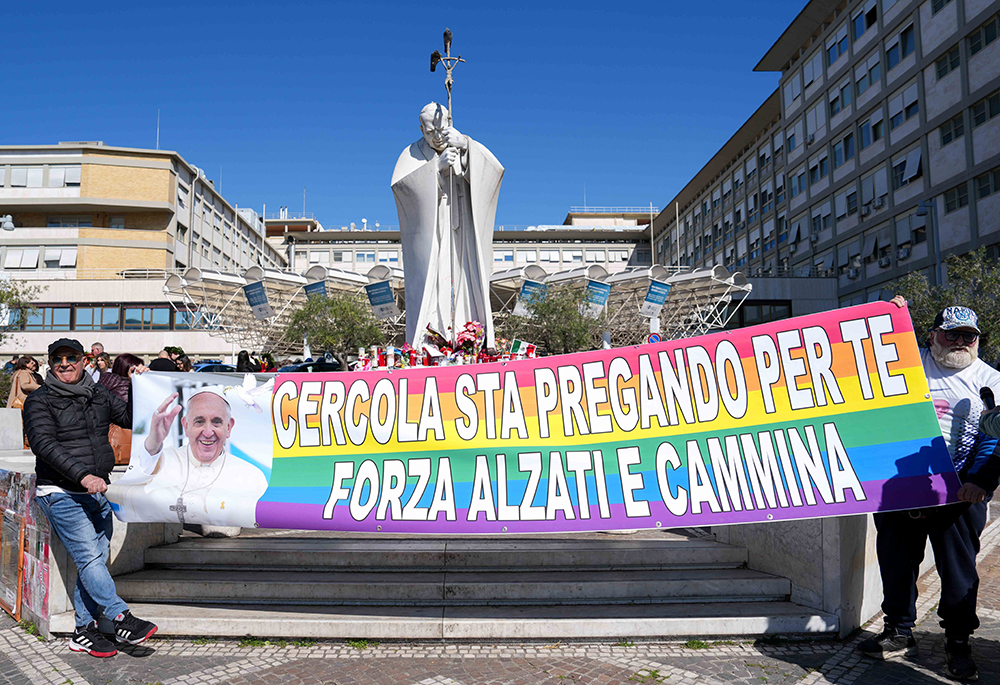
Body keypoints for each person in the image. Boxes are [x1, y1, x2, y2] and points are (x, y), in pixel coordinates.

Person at [859, 301, 1000, 681]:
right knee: (896, 562)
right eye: (951, 333)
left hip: (959, 494)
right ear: (932, 335)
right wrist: (885, 314)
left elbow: (995, 438)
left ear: (977, 341)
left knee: (959, 573)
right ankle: (898, 631)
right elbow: (866, 347)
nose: (959, 342)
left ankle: (958, 643)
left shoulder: (991, 380)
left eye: (968, 336)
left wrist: (979, 482)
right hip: (899, 489)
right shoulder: (907, 360)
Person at [24, 338, 157, 658]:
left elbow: (128, 418)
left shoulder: (96, 393)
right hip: (60, 491)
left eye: (71, 357)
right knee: (89, 558)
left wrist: (141, 383)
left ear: (84, 360)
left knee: (93, 563)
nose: (65, 364)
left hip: (97, 491)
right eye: (58, 360)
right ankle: (119, 616)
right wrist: (83, 476)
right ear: (50, 364)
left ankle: (84, 630)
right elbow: (44, 444)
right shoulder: (39, 400)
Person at [391, 102, 504, 351]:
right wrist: (435, 171)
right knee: (434, 286)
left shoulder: (464, 143)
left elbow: (494, 172)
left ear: (449, 122)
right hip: (434, 237)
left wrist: (466, 149)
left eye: (441, 129)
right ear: (421, 129)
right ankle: (431, 341)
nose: (437, 136)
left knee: (467, 279)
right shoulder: (411, 154)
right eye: (429, 132)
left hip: (464, 233)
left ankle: (470, 337)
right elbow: (402, 187)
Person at [110, 390, 267, 527]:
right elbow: (132, 486)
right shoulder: (165, 460)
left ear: (229, 427)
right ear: (186, 426)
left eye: (216, 422)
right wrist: (153, 442)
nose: (207, 432)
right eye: (199, 422)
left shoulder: (251, 476)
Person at [99, 354, 146, 466]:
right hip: (125, 439)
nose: (140, 373)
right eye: (136, 370)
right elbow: (130, 415)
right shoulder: (124, 385)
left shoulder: (105, 380)